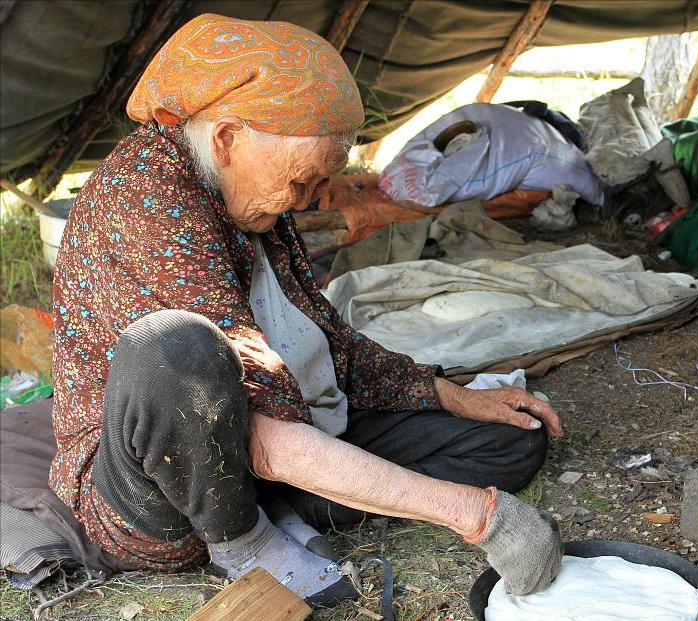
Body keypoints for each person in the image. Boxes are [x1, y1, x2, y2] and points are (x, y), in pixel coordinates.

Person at [51, 14, 563, 605]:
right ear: (227, 137)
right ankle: (241, 540)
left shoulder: (258, 198)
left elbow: (328, 340)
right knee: (174, 348)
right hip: (162, 493)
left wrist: (456, 395)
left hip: (274, 435)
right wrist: (479, 517)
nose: (309, 199)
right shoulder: (143, 202)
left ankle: (290, 499)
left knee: (510, 441)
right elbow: (255, 424)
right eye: (301, 180)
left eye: (319, 182)